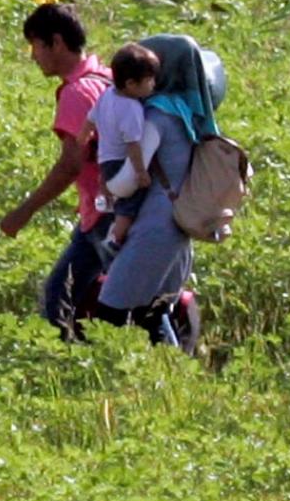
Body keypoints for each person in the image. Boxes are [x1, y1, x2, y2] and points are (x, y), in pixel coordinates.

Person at [94, 34, 221, 343]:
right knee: (154, 314)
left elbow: (127, 182)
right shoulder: (184, 111)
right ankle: (171, 374)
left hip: (155, 229)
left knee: (110, 312)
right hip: (175, 225)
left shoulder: (157, 116)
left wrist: (106, 185)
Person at [0, 3, 113, 341]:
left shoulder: (78, 93)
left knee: (59, 301)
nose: (33, 56)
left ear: (57, 43)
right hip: (114, 210)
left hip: (106, 214)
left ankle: (64, 368)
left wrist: (24, 211)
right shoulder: (105, 77)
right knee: (68, 297)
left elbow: (70, 165)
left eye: (35, 45)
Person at [79, 43, 160, 255]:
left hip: (104, 162)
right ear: (131, 84)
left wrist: (83, 136)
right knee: (130, 205)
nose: (153, 84)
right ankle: (114, 239)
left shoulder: (107, 96)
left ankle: (108, 205)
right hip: (120, 164)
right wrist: (141, 173)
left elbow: (90, 118)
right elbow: (133, 146)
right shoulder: (132, 109)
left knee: (116, 199)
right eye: (149, 80)